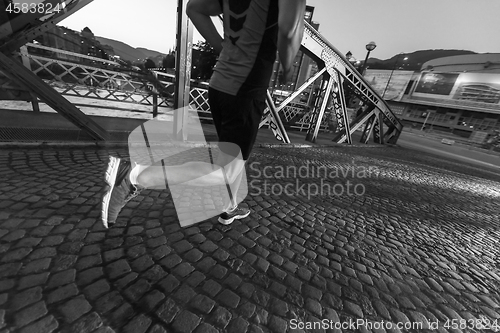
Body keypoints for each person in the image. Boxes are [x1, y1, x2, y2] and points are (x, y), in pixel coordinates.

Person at [101, 0, 306, 228]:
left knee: (235, 158)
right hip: (246, 89)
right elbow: (288, 33)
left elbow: (194, 8)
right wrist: (288, 68)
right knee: (226, 171)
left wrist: (222, 47)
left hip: (220, 85)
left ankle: (229, 208)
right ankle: (134, 176)